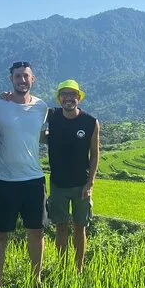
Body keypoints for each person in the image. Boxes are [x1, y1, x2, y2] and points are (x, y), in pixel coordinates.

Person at [0, 61, 48, 287]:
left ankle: (36, 280)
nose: (22, 80)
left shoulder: (42, 107)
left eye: (26, 76)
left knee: (37, 232)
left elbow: (43, 135)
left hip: (34, 179)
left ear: (33, 79)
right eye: (18, 76)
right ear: (11, 79)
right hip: (5, 180)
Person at [45, 79, 99, 273]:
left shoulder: (90, 122)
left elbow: (95, 154)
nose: (68, 98)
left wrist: (90, 183)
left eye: (72, 94)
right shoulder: (51, 116)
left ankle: (78, 269)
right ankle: (61, 268)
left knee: (79, 227)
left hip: (81, 184)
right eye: (64, 94)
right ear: (59, 98)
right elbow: (27, 106)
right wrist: (8, 97)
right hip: (58, 184)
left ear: (79, 98)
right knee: (60, 227)